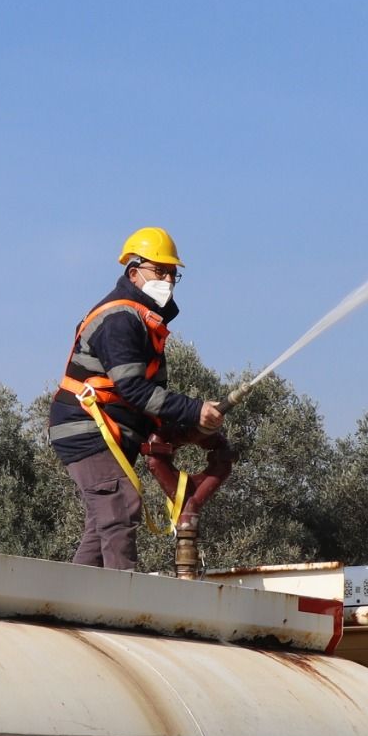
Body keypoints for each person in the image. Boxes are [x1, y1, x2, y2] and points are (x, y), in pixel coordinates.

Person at [47, 226, 235, 570]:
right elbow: (134, 389)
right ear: (133, 273)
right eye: (158, 271)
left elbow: (154, 401)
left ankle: (70, 599)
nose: (167, 279)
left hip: (105, 431)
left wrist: (192, 425)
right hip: (86, 427)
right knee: (120, 506)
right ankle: (124, 607)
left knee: (101, 523)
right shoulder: (120, 318)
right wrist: (195, 410)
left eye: (172, 273)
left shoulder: (147, 323)